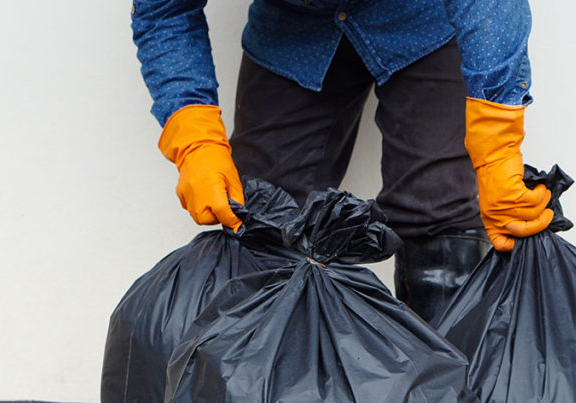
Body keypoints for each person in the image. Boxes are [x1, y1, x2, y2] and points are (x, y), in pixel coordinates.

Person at [131, 0, 553, 321]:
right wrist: (194, 137)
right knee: (260, 222)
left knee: (438, 213)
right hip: (292, 33)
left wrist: (497, 144)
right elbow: (164, 8)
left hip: (421, 21)